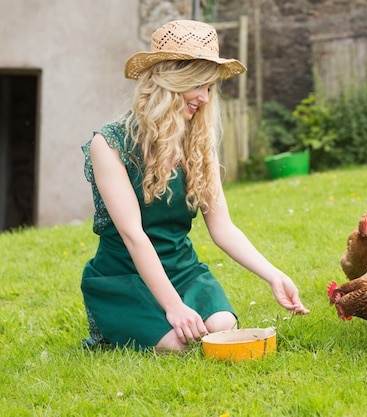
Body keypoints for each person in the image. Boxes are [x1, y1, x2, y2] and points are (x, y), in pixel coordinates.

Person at [80, 19, 309, 352]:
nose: (204, 97)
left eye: (210, 88)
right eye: (198, 85)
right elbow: (134, 235)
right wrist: (174, 306)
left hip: (181, 268)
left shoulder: (197, 144)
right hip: (124, 275)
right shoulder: (110, 144)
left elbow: (223, 228)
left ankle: (185, 310)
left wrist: (273, 274)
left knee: (222, 327)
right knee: (177, 344)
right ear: (170, 80)